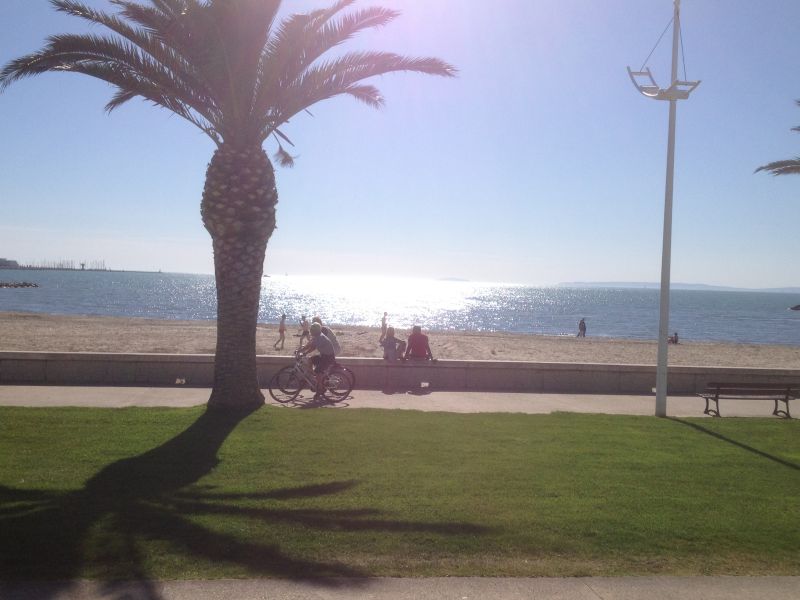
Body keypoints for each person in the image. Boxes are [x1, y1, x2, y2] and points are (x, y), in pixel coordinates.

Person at [298, 322, 336, 400]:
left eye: (312, 330)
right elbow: (309, 344)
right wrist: (300, 350)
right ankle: (315, 378)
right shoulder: (316, 336)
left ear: (315, 331)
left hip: (328, 357)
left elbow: (313, 347)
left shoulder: (320, 337)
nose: (310, 331)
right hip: (323, 355)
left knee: (318, 372)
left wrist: (304, 352)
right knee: (310, 360)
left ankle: (320, 389)